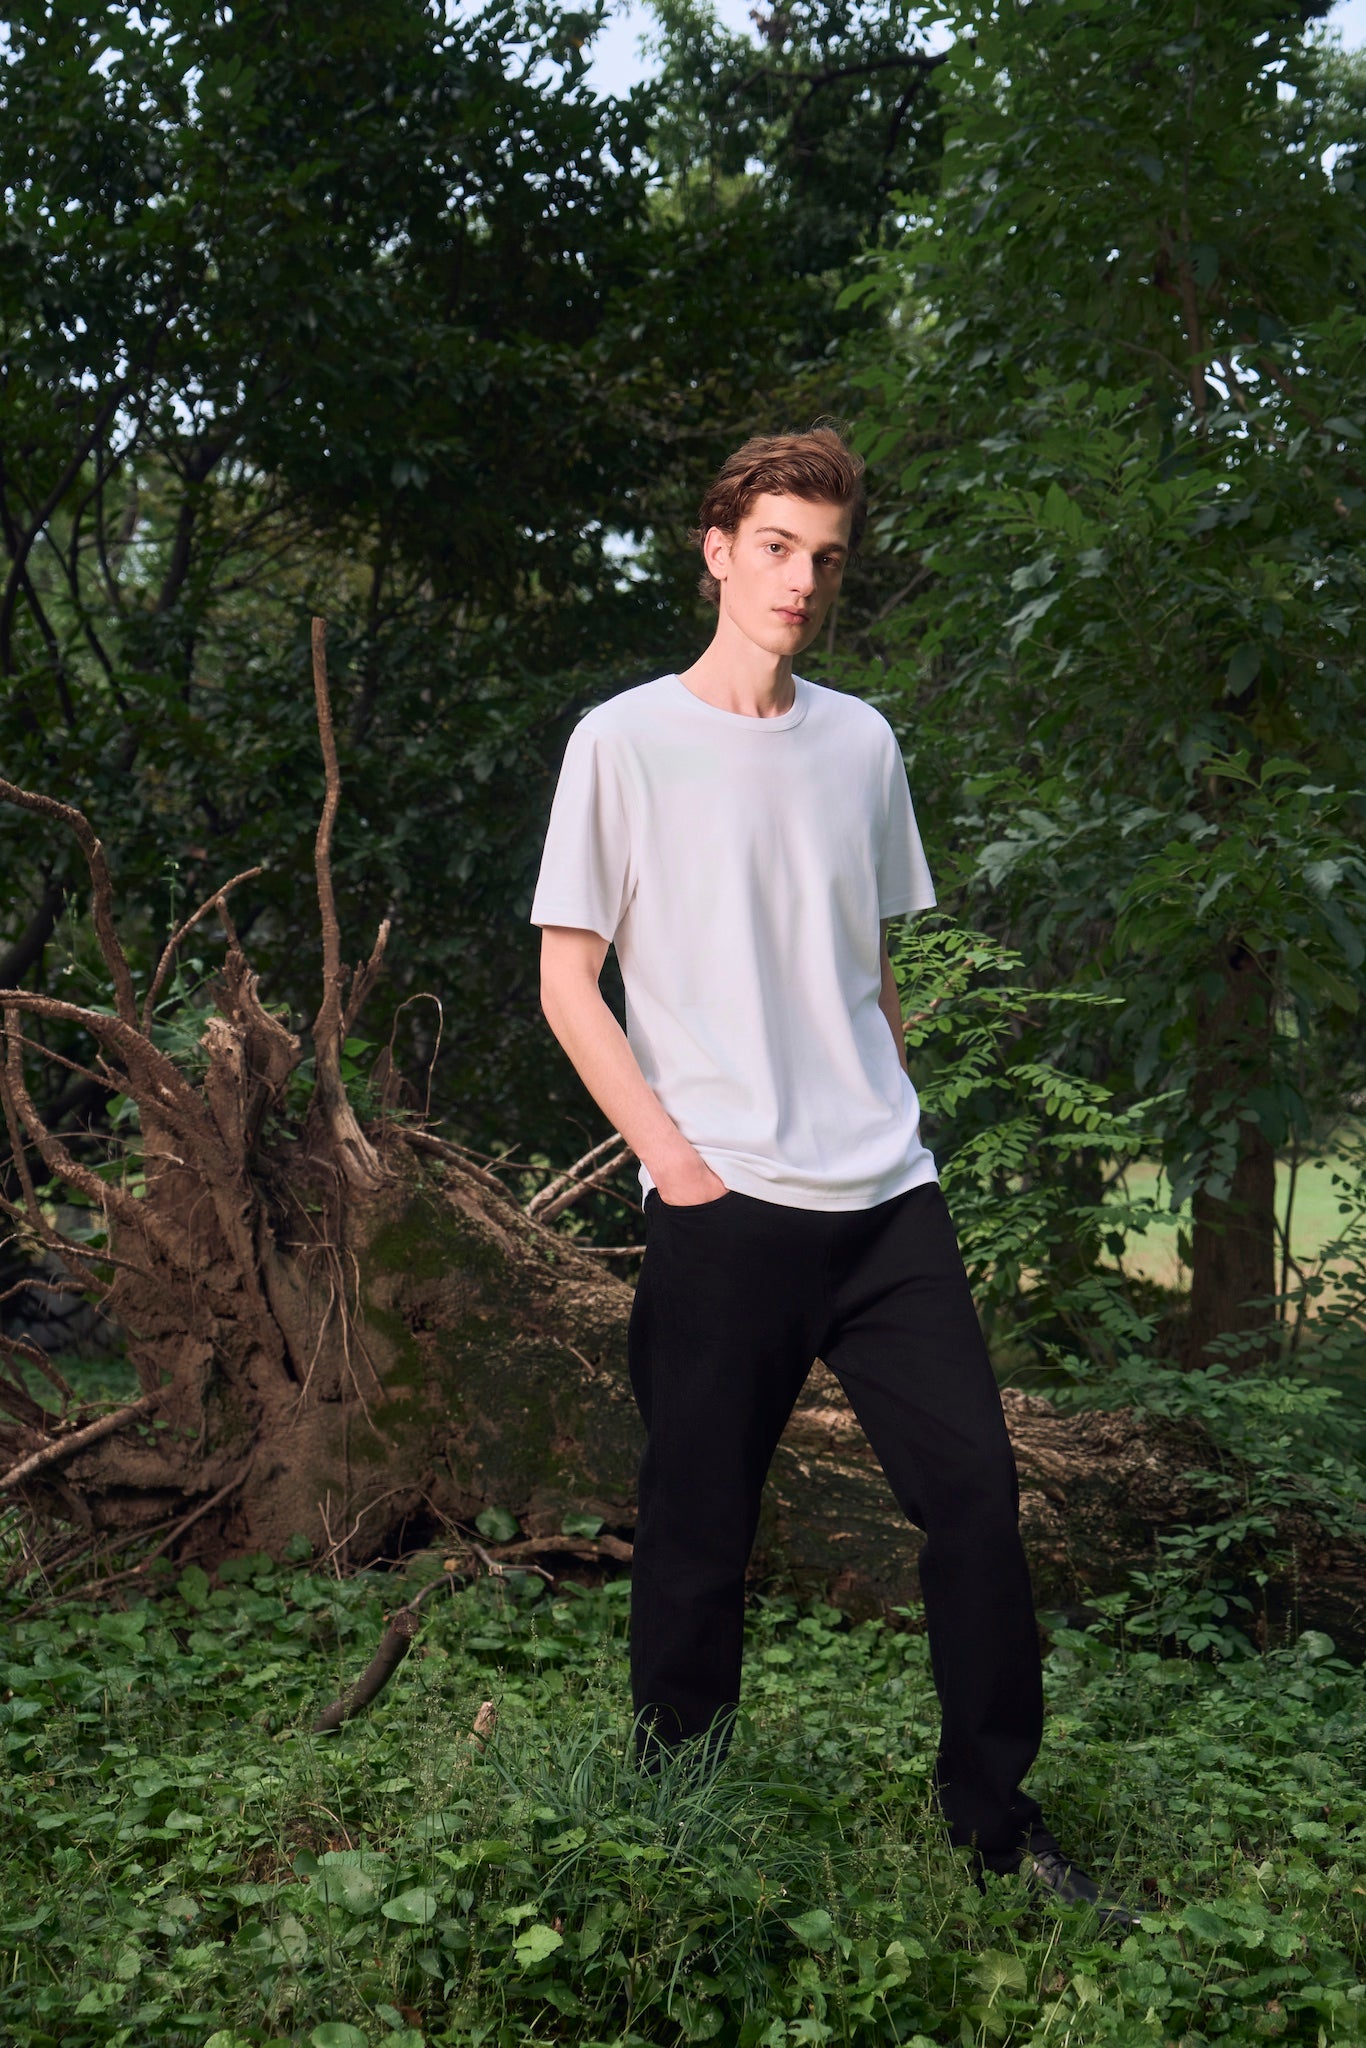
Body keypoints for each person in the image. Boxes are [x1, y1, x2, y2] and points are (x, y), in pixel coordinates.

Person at [530, 427, 1133, 1925]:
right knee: (694, 1532)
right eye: (777, 547)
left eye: (826, 557)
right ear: (717, 547)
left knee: (979, 1507)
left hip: (883, 1204)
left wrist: (896, 1107)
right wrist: (671, 1160)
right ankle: (674, 1827)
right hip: (723, 1199)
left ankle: (996, 1828)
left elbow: (867, 969)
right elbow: (566, 980)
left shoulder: (860, 743)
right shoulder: (623, 740)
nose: (802, 580)